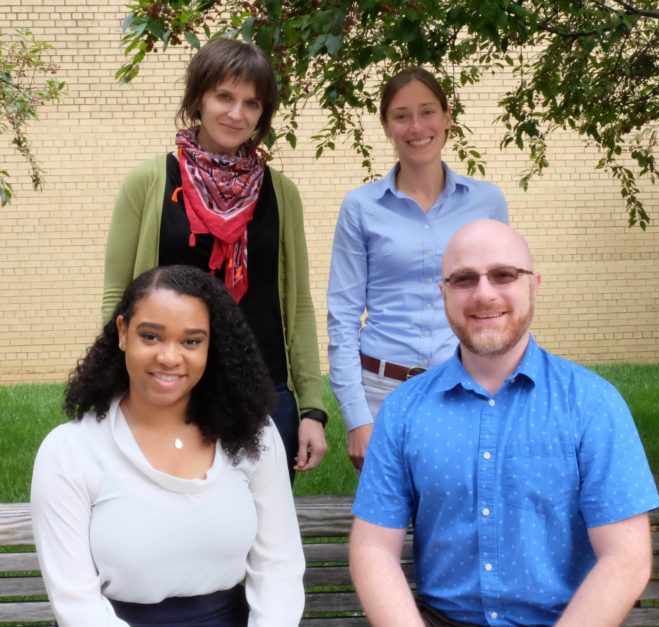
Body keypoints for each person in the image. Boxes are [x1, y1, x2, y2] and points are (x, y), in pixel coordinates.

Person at [349, 220, 659, 627]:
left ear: (534, 284)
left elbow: (626, 559)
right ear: (443, 293)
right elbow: (373, 549)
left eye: (504, 275)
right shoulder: (403, 411)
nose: (484, 293)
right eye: (464, 279)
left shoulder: (592, 404)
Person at [102, 38, 327, 480]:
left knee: (262, 532)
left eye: (251, 103)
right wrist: (113, 383)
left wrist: (312, 408)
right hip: (170, 384)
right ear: (199, 99)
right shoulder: (149, 182)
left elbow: (297, 304)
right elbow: (118, 293)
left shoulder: (281, 193)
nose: (236, 113)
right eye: (224, 96)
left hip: (264, 390)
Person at [31, 265, 305, 627]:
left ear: (211, 345)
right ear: (122, 332)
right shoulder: (70, 452)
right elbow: (76, 603)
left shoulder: (252, 436)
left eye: (191, 341)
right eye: (151, 337)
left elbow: (278, 567)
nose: (170, 357)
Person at [327, 67, 509, 470]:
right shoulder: (361, 207)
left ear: (447, 117)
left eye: (428, 112)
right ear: (387, 125)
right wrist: (358, 417)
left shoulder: (487, 203)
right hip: (383, 392)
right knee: (387, 528)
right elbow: (342, 316)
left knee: (463, 525)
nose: (417, 127)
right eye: (401, 115)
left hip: (466, 387)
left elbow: (501, 304)